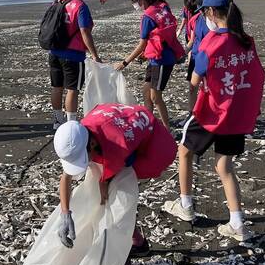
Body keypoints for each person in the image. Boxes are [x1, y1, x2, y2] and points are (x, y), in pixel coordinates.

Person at [162, 0, 265, 242]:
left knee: (184, 151)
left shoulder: (211, 43)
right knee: (224, 166)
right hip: (237, 114)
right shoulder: (245, 40)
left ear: (209, 12)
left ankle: (185, 205)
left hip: (212, 113)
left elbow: (195, 80)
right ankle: (237, 223)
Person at [53, 103, 177, 255]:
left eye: (83, 157)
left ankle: (133, 246)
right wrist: (65, 213)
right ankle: (138, 241)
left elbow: (107, 179)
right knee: (107, 195)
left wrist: (104, 185)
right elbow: (66, 176)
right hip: (125, 125)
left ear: (91, 144)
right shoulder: (80, 133)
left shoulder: (115, 146)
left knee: (117, 199)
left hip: (155, 146)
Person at [115, 0, 185, 129]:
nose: (135, 6)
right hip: (161, 56)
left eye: (134, 3)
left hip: (161, 60)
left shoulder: (148, 16)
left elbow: (142, 44)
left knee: (156, 97)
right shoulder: (162, 7)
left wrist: (125, 62)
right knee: (146, 88)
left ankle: (166, 129)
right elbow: (159, 37)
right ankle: (149, 121)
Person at [48, 0, 103, 129]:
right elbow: (85, 31)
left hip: (54, 51)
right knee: (73, 89)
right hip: (73, 53)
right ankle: (71, 123)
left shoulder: (57, 1)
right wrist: (94, 55)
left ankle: (58, 120)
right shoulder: (80, 6)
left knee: (56, 86)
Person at [185, 0, 209, 113]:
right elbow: (192, 40)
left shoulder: (215, 22)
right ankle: (192, 115)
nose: (200, 11)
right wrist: (183, 52)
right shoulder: (196, 19)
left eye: (202, 9)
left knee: (208, 89)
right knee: (192, 88)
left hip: (209, 59)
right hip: (195, 58)